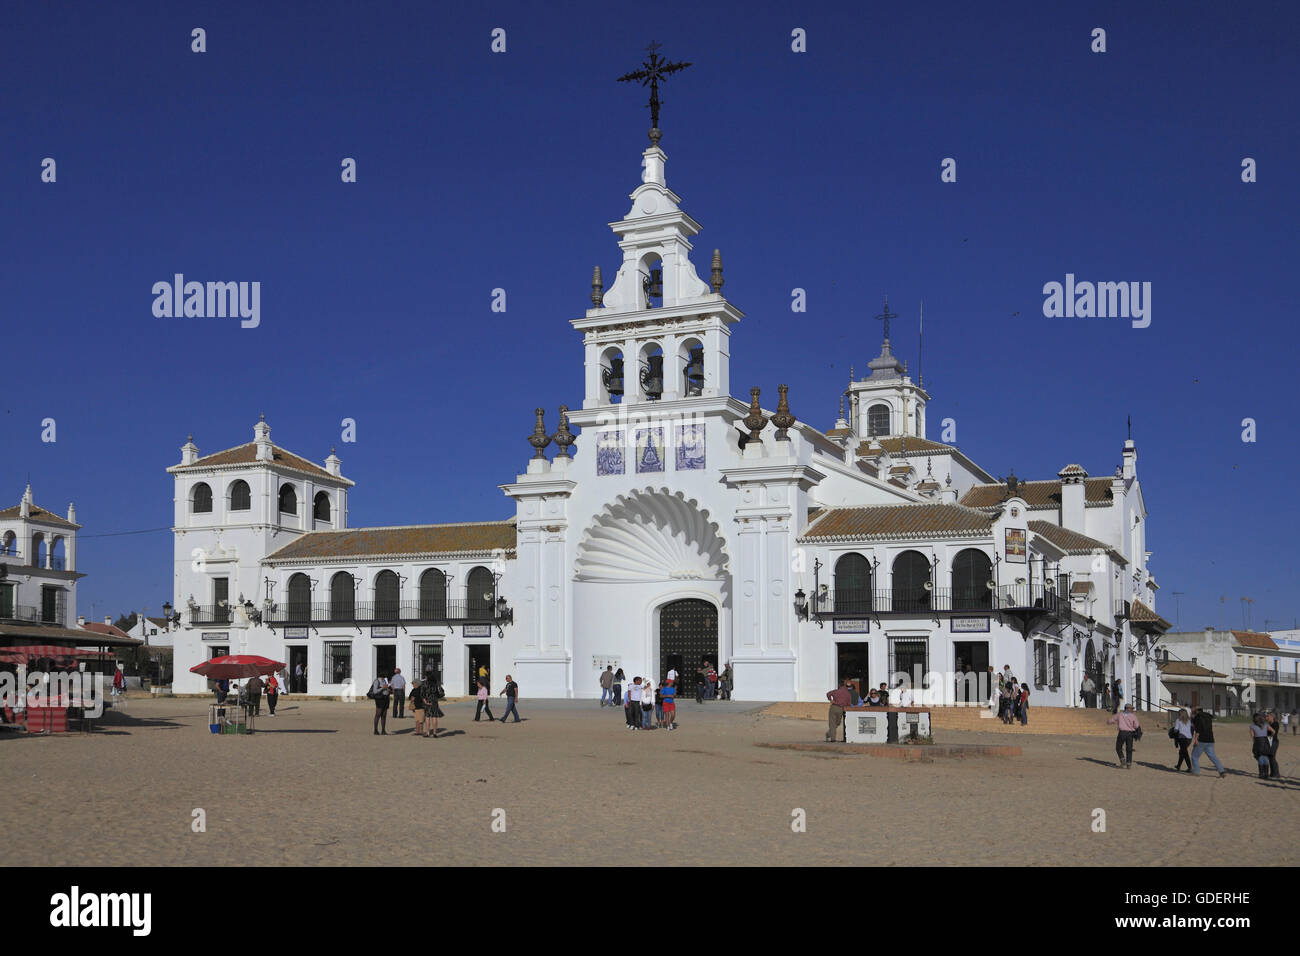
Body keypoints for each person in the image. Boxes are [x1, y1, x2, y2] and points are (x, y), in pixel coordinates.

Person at [1190, 705, 1226, 778]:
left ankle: (1196, 772)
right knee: (1212, 756)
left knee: (1194, 756)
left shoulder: (1198, 717)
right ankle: (1221, 771)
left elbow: (1198, 729)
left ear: (1197, 711)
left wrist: (1196, 739)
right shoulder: (1208, 716)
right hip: (1210, 739)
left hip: (1201, 739)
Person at [1107, 702, 1141, 768]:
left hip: (1122, 733)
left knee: (1118, 747)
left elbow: (1112, 720)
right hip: (1130, 734)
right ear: (1128, 709)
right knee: (1129, 748)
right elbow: (1136, 725)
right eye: (1132, 709)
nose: (1132, 710)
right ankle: (1129, 763)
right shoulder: (1133, 716)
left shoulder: (1119, 714)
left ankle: (1122, 760)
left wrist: (1108, 721)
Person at [1249, 713, 1273, 779]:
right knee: (1265, 757)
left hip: (1258, 741)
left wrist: (1255, 742)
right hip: (1265, 741)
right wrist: (1269, 737)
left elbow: (1252, 736)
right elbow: (1273, 731)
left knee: (1259, 757)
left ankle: (1261, 774)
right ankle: (1266, 774)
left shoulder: (1252, 726)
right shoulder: (1266, 724)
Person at [421, 673, 444, 737]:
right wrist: (436, 697)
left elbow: (422, 694)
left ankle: (428, 733)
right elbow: (441, 693)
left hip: (427, 700)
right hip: (434, 701)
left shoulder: (425, 684)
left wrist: (425, 701)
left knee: (427, 717)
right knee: (434, 717)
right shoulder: (436, 683)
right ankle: (434, 733)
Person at [1265, 710, 1280, 779]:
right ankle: (1272, 773)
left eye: (1267, 716)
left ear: (1272, 717)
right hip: (1269, 742)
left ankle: (1276, 774)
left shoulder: (1275, 724)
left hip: (1274, 742)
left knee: (1272, 757)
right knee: (1270, 757)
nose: (1266, 717)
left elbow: (1274, 733)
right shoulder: (1269, 724)